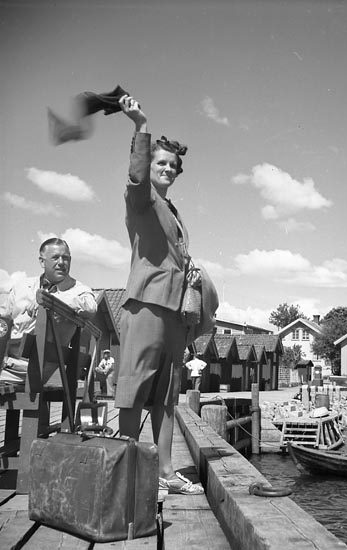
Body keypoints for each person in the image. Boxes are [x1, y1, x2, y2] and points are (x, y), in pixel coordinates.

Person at [115, 95, 218, 497]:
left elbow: (175, 254)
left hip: (175, 312)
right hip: (146, 305)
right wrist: (141, 126)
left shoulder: (173, 210)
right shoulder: (141, 199)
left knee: (167, 397)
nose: (168, 169)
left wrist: (189, 270)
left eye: (173, 165)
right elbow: (136, 176)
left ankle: (166, 473)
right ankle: (126, 473)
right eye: (162, 163)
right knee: (133, 392)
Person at [0, 238, 97, 384]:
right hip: (8, 363)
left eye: (65, 258)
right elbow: (3, 319)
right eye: (55, 257)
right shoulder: (21, 287)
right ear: (42, 261)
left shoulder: (79, 291)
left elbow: (91, 307)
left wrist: (50, 301)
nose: (61, 262)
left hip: (41, 368)